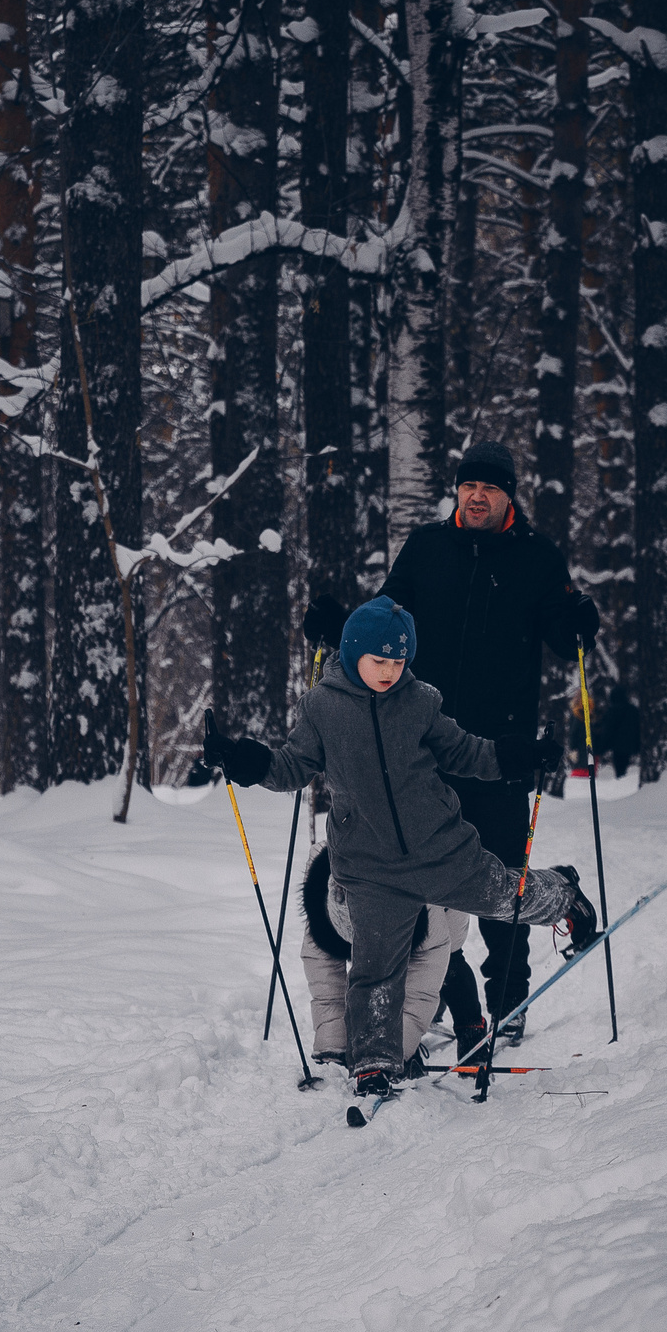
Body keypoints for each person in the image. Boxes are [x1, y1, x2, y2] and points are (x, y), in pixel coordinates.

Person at [205, 596, 597, 1100]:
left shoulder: (420, 701)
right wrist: (244, 760)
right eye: (379, 661)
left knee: (506, 898)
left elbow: (464, 751)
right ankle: (372, 1063)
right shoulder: (321, 707)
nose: (390, 672)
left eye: (398, 662)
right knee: (375, 965)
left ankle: (564, 895)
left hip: (442, 847)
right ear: (351, 654)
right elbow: (292, 766)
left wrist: (512, 755)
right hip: (368, 868)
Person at [306, 442, 598, 1044]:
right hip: (423, 744)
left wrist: (577, 623)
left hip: (497, 747)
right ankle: (446, 992)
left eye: (490, 489)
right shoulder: (427, 548)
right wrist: (340, 627)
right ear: (457, 491)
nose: (477, 497)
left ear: (508, 496)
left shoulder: (538, 558)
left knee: (497, 876)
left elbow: (558, 631)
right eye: (469, 487)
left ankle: (509, 1003)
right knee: (418, 879)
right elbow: (386, 616)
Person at [295, 844, 486, 1074]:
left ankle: (471, 1029)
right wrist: (332, 1051)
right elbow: (326, 989)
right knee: (372, 974)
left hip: (441, 889)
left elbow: (421, 987)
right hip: (380, 905)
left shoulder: (422, 895)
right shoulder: (321, 898)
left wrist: (394, 1052)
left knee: (448, 965)